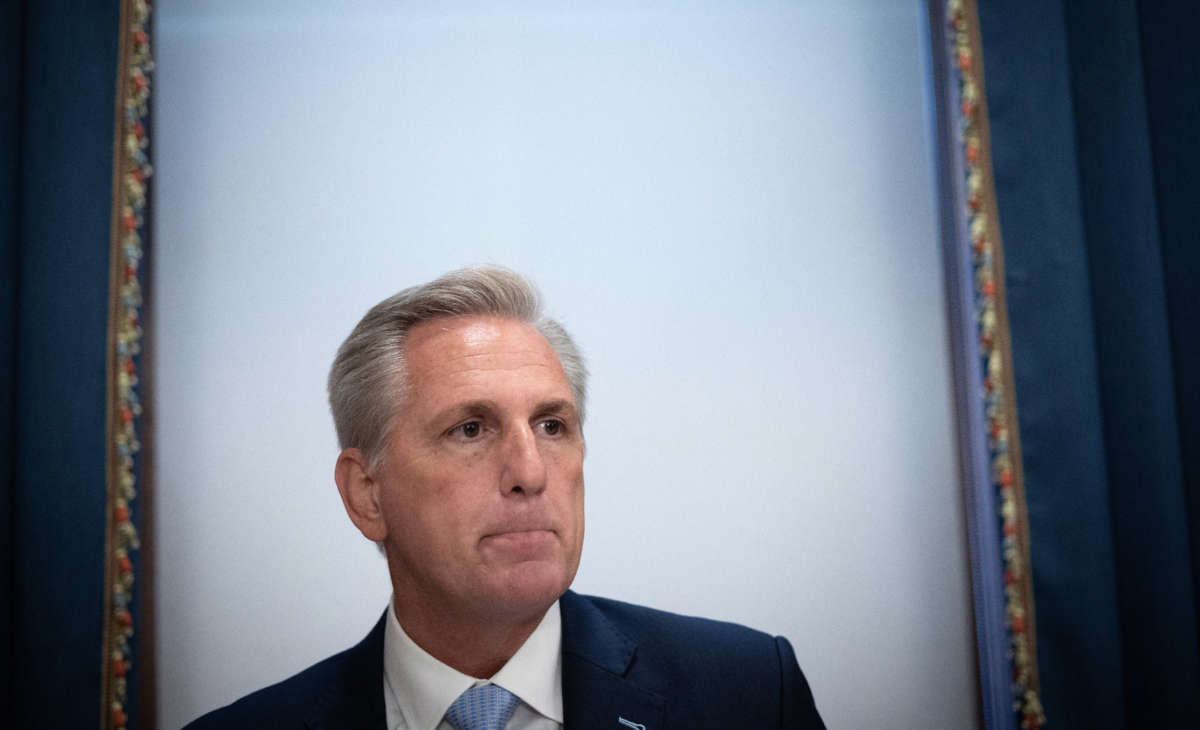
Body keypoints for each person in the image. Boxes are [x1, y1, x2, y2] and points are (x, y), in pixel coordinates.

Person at [186, 266, 824, 729]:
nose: (530, 472)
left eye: (552, 426)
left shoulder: (750, 693)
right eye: (470, 429)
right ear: (366, 493)